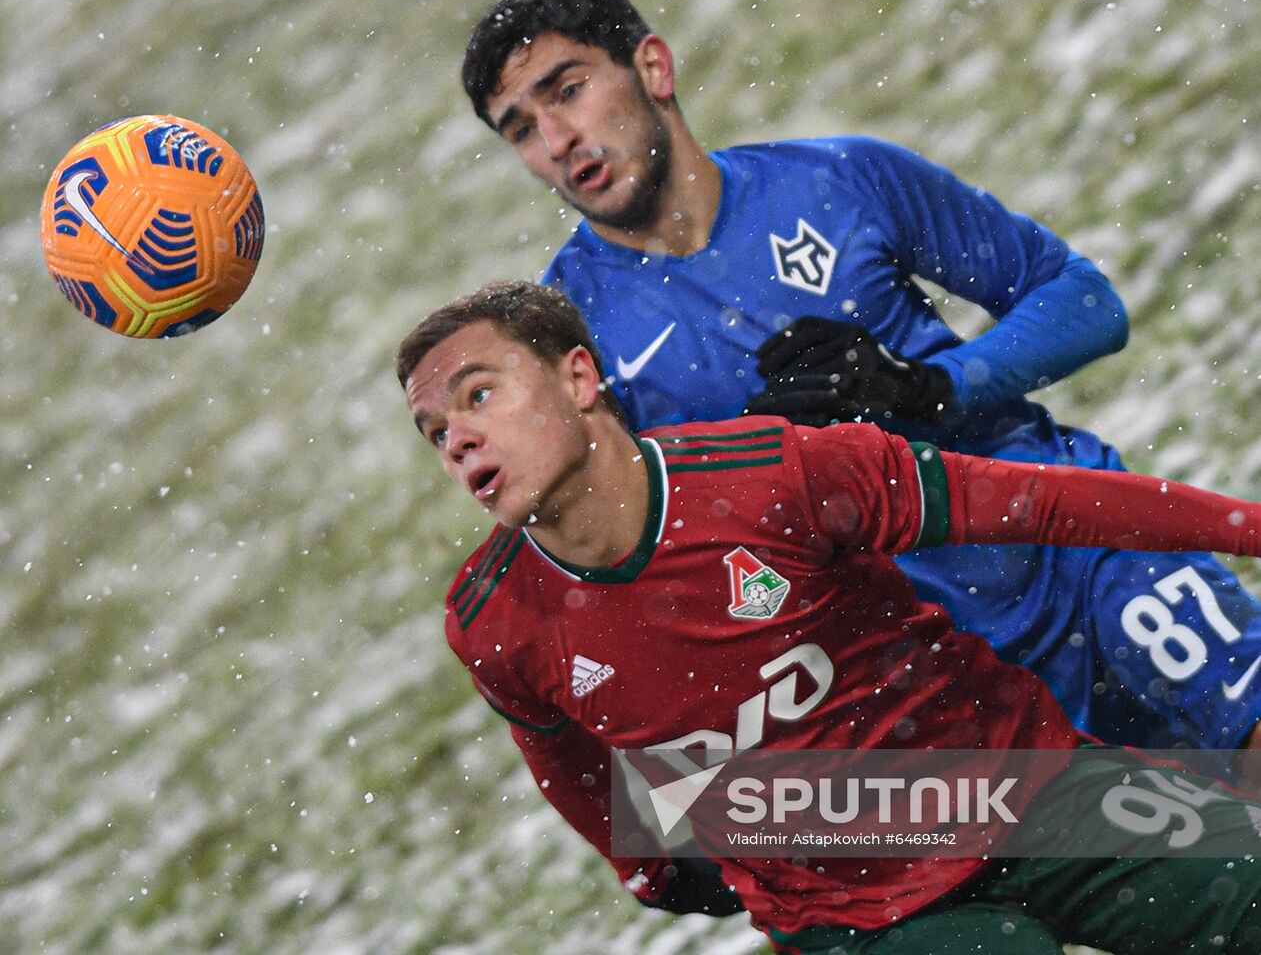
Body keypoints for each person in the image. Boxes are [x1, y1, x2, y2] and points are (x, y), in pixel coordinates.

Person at [458, 0, 1261, 762]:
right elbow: (641, 575)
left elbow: (1083, 302)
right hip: (936, 683)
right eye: (520, 128)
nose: (556, 141)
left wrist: (930, 386)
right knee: (1201, 866)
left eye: (566, 90)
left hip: (1076, 547)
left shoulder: (836, 180)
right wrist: (761, 476)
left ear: (653, 67)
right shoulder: (568, 343)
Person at [396, 279, 1261, 953]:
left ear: (578, 377)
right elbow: (566, 764)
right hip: (864, 923)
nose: (459, 440)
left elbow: (1039, 503)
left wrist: (1250, 530)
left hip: (1033, 792)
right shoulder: (494, 625)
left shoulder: (774, 477)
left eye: (478, 396)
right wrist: (653, 873)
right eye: (434, 431)